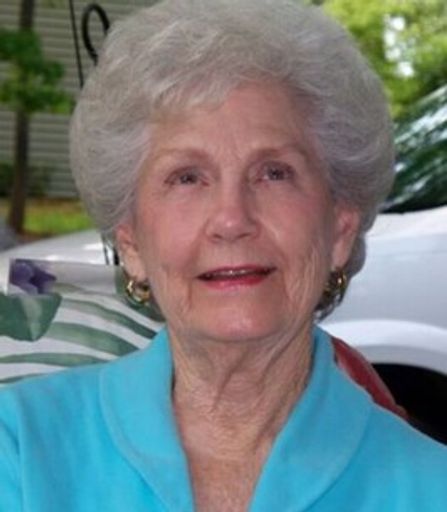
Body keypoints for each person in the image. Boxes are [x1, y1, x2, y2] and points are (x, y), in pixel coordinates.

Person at [1, 0, 446, 510]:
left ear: (339, 231)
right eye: (187, 177)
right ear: (131, 243)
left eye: (274, 173)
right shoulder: (18, 449)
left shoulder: (431, 487)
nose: (232, 218)